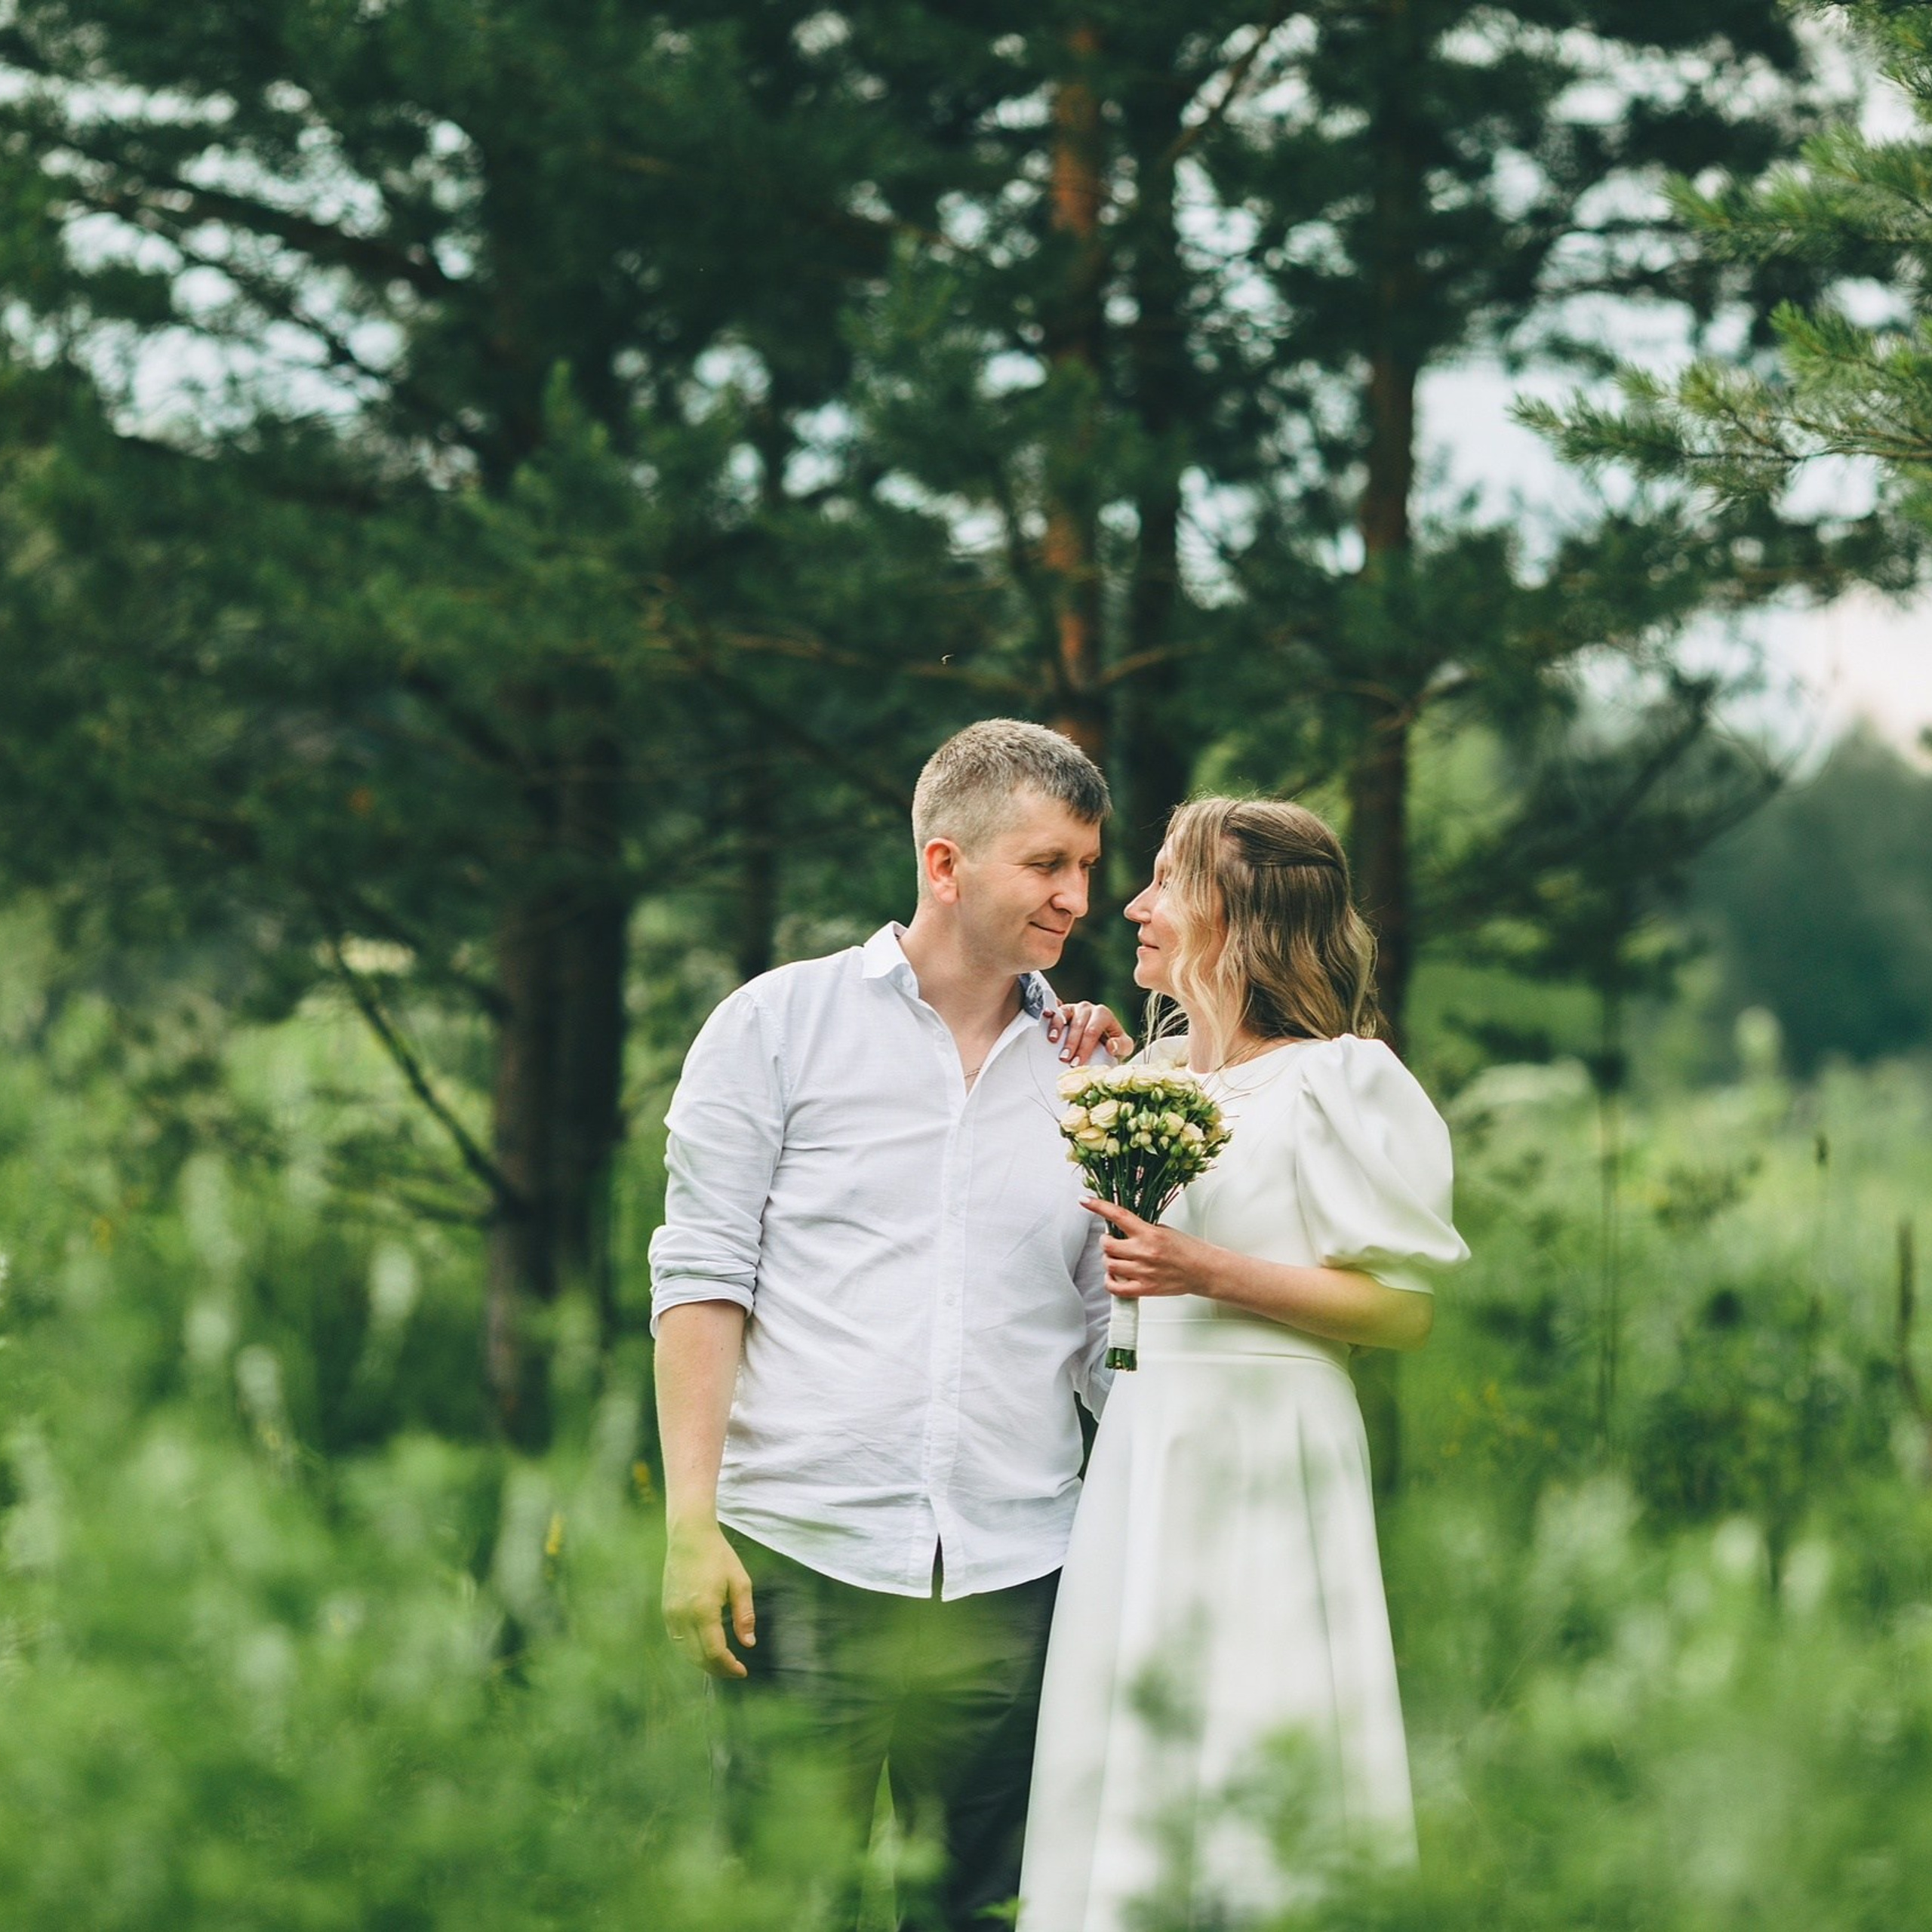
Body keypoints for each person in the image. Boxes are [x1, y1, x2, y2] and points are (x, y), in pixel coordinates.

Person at [651, 718, 1132, 1930]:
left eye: (1087, 866)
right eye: (1048, 865)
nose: (1078, 897)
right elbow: (704, 1279)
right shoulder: (774, 1027)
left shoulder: (1096, 1083)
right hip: (805, 1560)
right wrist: (689, 1527)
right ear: (944, 863)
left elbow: (1105, 1335)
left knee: (979, 1909)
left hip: (1017, 1571)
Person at [1017, 797, 1470, 1930]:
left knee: (1260, 1724)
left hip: (1270, 1443)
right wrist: (1105, 1057)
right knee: (1132, 1735)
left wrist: (1204, 1272)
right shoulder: (1153, 1076)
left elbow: (1402, 1316)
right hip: (1145, 1441)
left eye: (1165, 881)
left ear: (1239, 916)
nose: (1132, 904)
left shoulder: (1340, 1081)